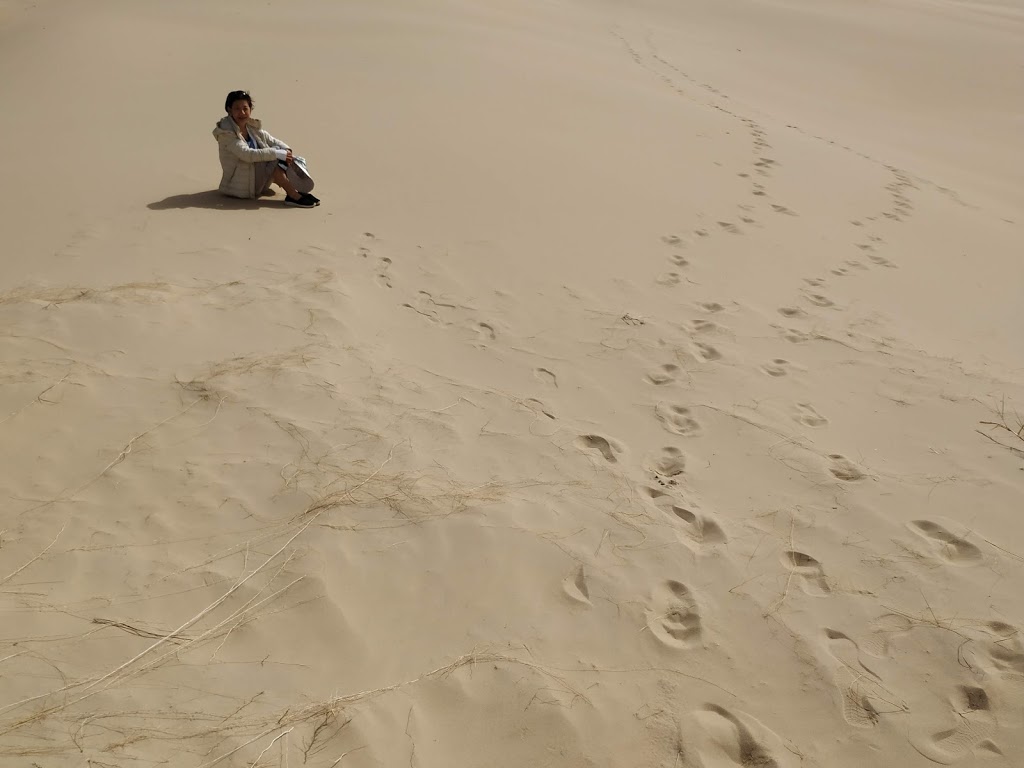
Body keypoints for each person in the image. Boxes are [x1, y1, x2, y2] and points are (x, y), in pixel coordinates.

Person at [213, 90, 320, 208]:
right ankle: (293, 195)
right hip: (241, 187)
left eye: (245, 108)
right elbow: (247, 154)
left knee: (279, 151)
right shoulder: (226, 132)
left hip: (255, 180)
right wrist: (277, 153)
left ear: (250, 109)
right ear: (229, 110)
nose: (242, 112)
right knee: (274, 158)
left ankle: (298, 191)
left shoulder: (250, 127)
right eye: (237, 109)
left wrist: (286, 150)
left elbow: (270, 139)